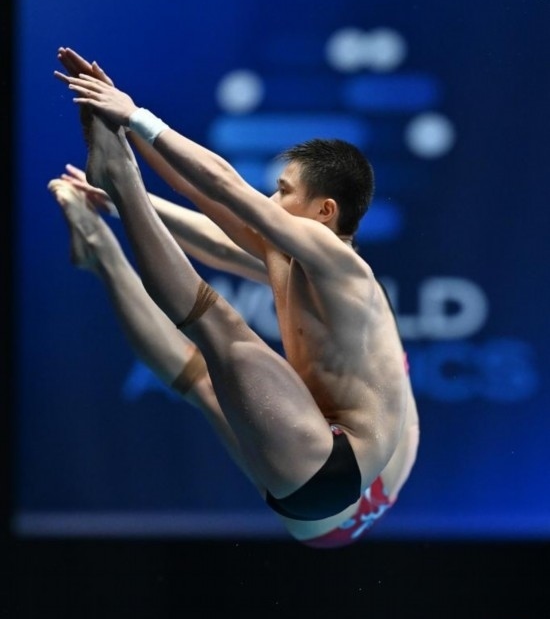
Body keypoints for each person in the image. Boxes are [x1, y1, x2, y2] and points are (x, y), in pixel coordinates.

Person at [53, 47, 419, 548]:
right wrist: (123, 137)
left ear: (325, 211)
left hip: (345, 482)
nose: (271, 198)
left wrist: (136, 116)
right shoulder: (294, 257)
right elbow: (209, 212)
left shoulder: (341, 266)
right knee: (199, 376)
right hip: (316, 478)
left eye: (283, 190)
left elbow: (226, 185)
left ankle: (119, 182)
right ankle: (104, 245)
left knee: (220, 329)